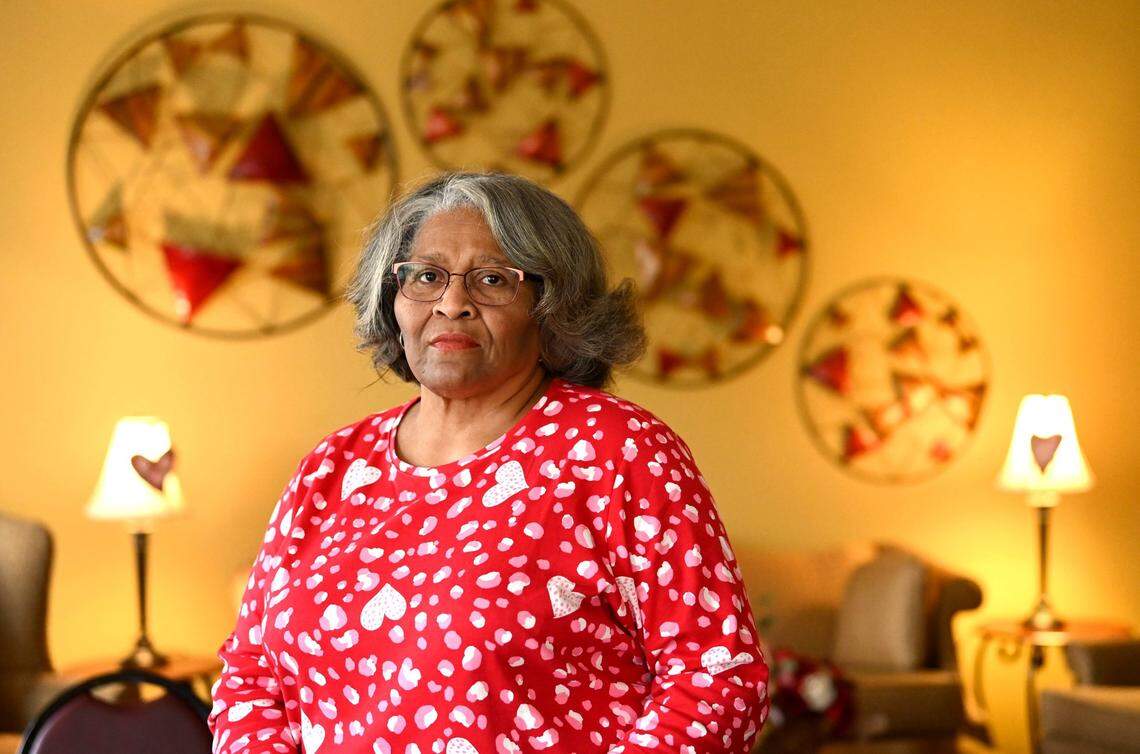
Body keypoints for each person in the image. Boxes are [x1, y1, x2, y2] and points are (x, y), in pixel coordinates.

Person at [207, 171, 770, 754]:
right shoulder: (330, 468)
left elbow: (716, 676)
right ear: (393, 299)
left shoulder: (619, 451)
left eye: (493, 280)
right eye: (426, 276)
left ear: (550, 306)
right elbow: (253, 677)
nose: (452, 303)